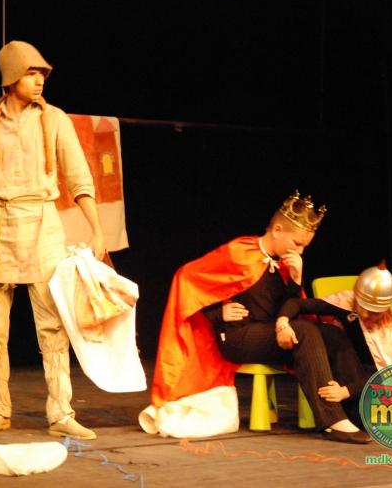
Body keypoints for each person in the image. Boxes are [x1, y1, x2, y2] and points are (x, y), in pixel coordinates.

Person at [0, 40, 106, 440]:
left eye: (41, 75)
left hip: (42, 222)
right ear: (11, 78)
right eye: (31, 74)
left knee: (52, 325)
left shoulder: (55, 119)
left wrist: (97, 230)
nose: (39, 81)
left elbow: (79, 178)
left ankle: (61, 412)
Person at [146, 190, 371, 444]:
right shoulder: (239, 252)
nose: (300, 251)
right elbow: (187, 278)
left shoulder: (284, 264)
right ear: (277, 230)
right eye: (297, 243)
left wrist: (295, 280)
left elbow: (291, 307)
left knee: (331, 334)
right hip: (238, 337)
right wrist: (217, 314)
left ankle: (358, 410)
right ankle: (331, 420)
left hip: (272, 333)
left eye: (304, 247)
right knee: (304, 330)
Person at [279, 261, 392, 425]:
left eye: (375, 313)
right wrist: (282, 323)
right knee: (331, 334)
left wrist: (346, 391)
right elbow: (296, 304)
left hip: (377, 383)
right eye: (364, 308)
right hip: (351, 371)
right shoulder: (346, 303)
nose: (366, 315)